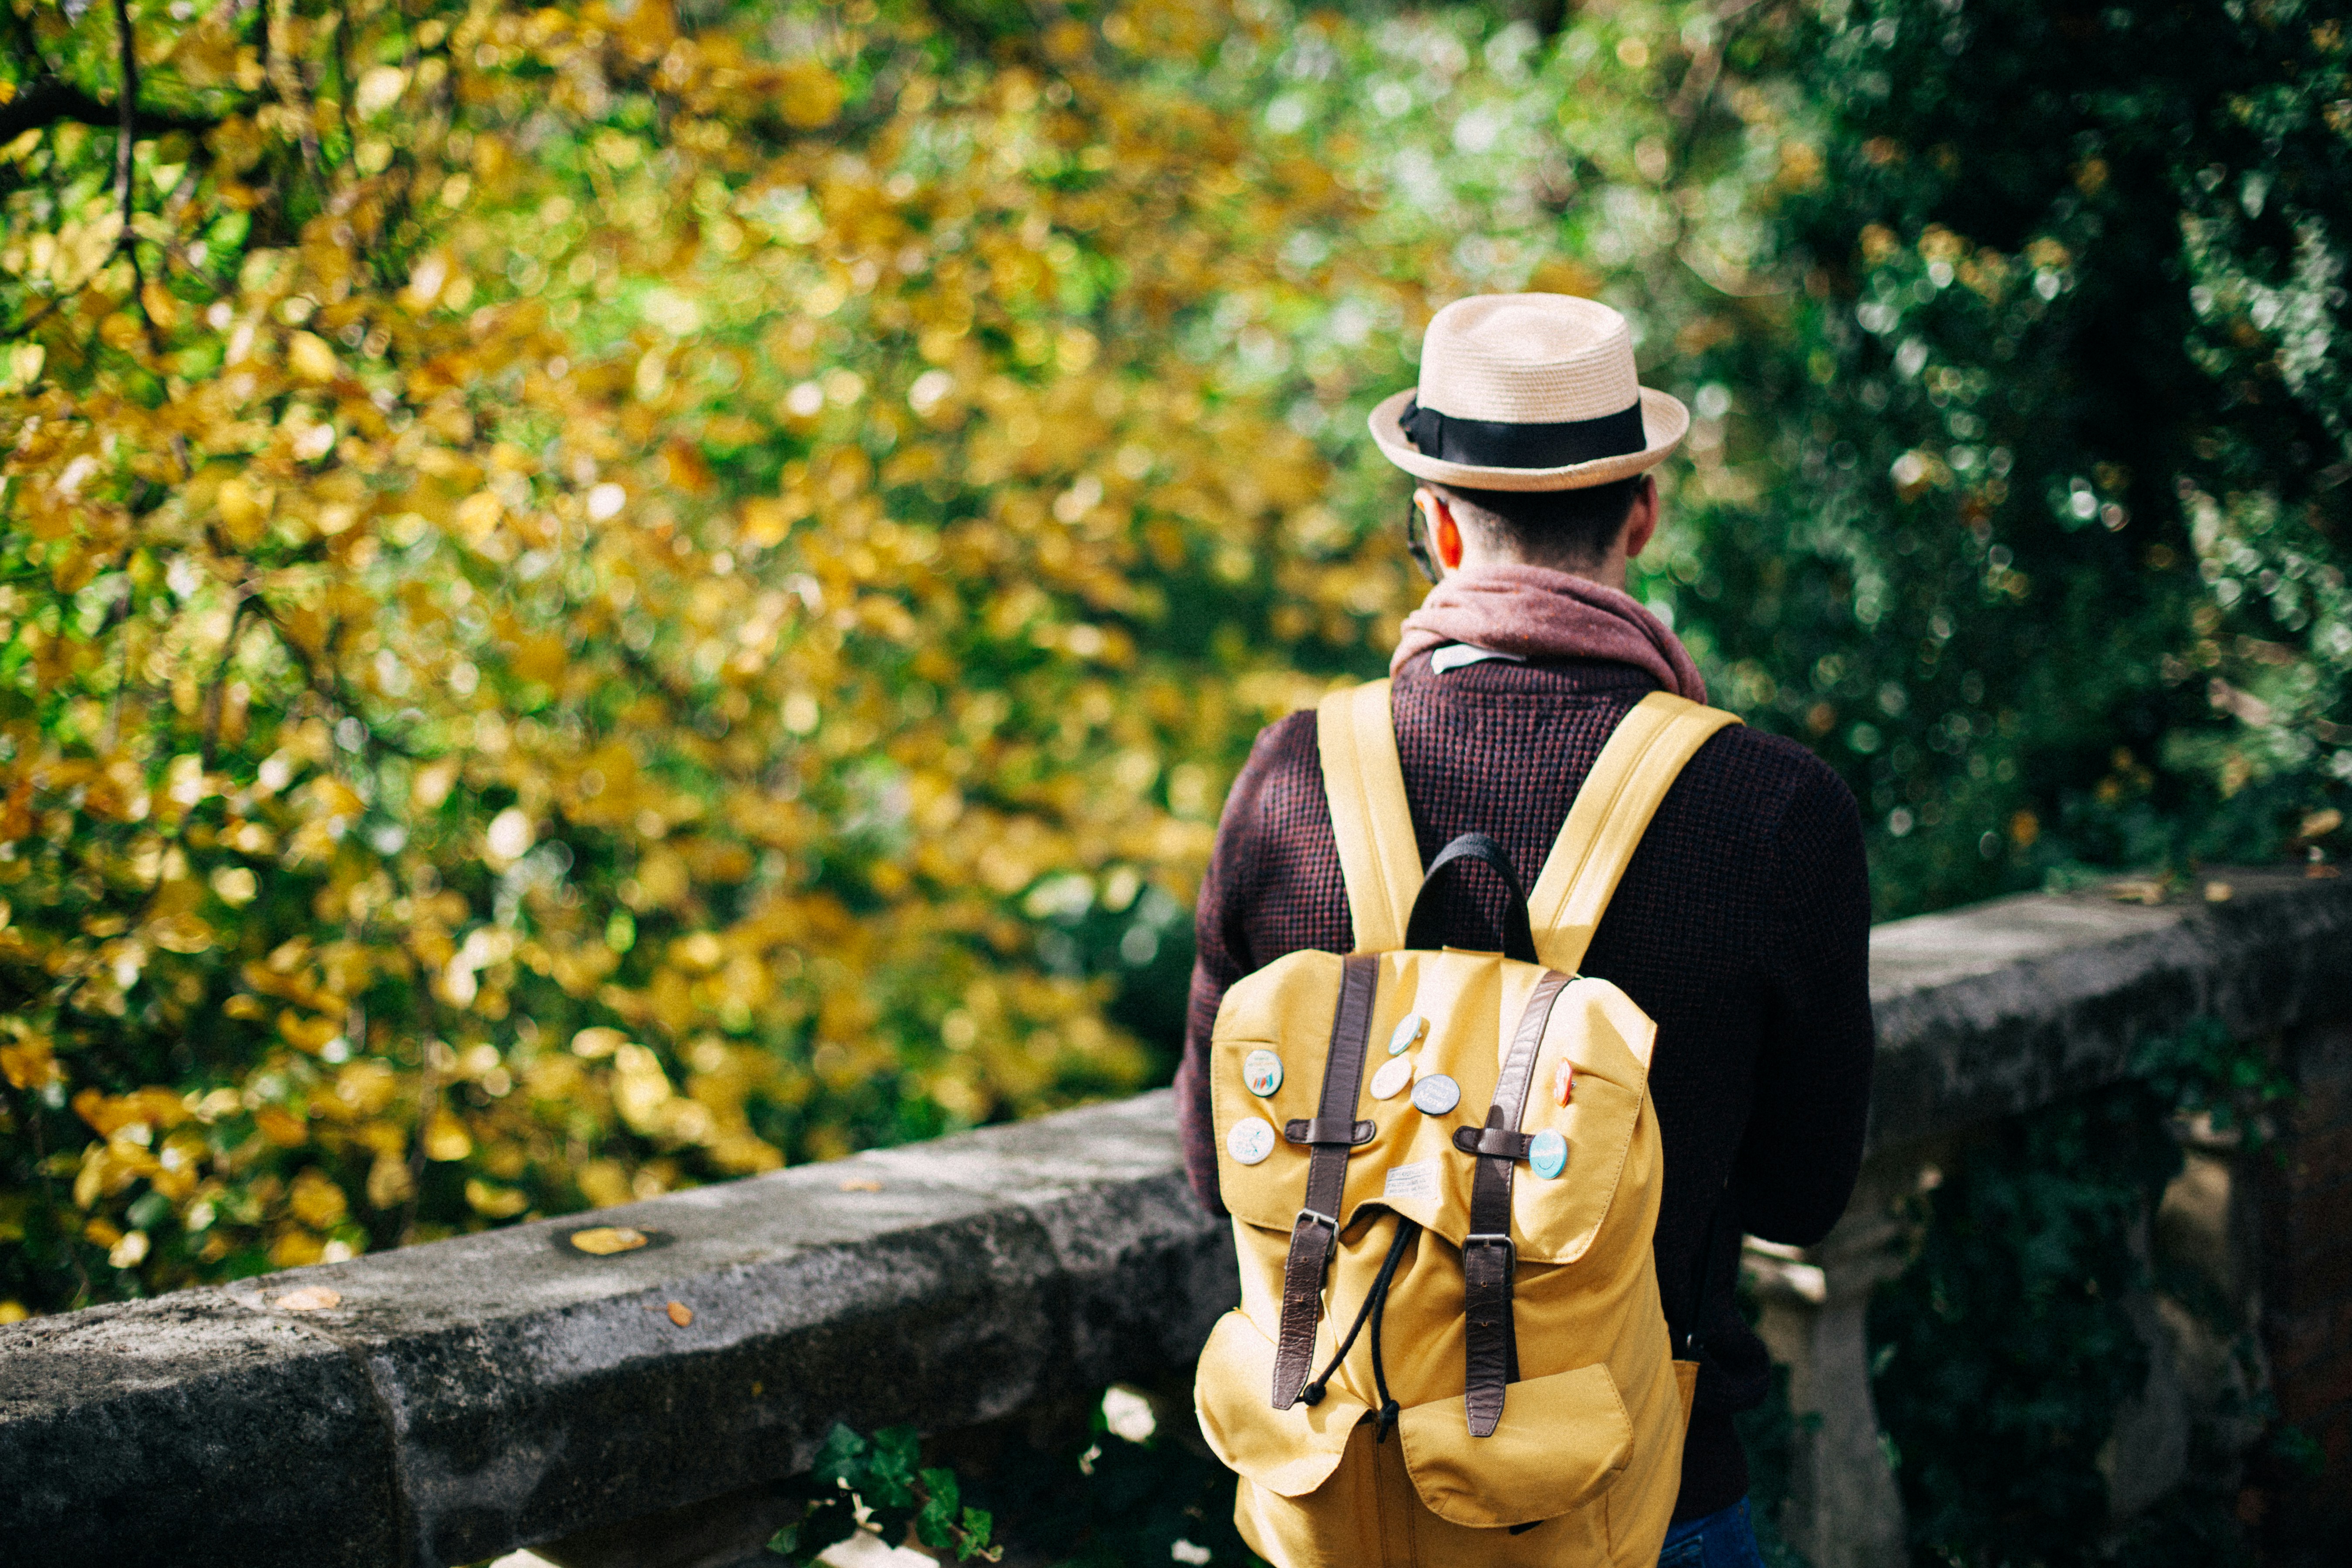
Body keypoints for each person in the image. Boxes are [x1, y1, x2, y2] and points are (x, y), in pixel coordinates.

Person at [1173, 293, 1875, 1565]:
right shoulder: (1774, 810)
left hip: (1348, 1510)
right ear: (1643, 513)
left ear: (1436, 525)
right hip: (1640, 1500)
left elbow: (1209, 1167)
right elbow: (1800, 1197)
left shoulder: (1291, 780)